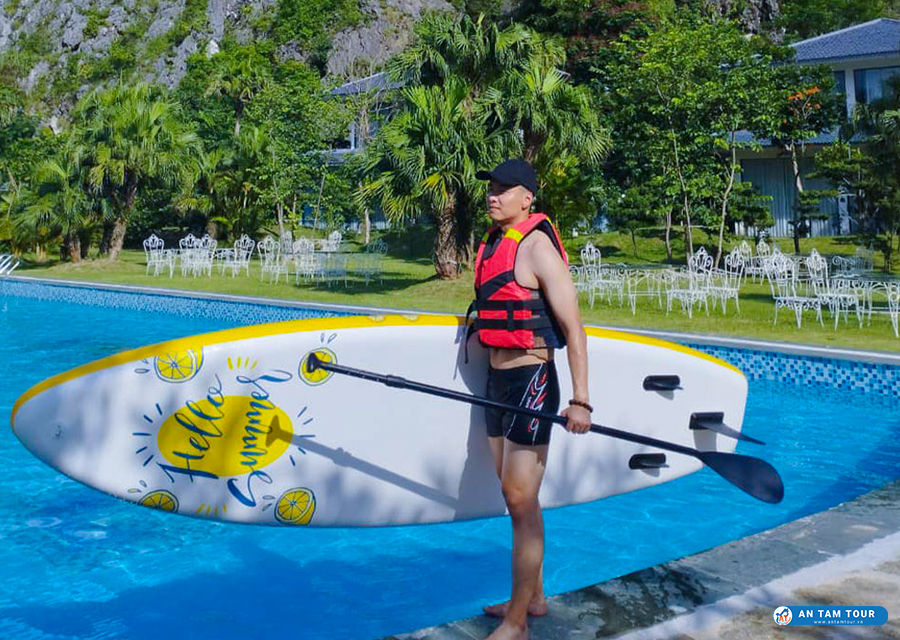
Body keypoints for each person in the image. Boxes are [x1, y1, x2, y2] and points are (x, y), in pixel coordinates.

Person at [469, 159, 592, 640]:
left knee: (520, 499)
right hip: (496, 383)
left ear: (528, 198)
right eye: (491, 187)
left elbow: (574, 329)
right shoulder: (493, 243)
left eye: (504, 188)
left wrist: (581, 400)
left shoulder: (538, 247)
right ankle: (533, 597)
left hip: (532, 379)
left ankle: (517, 622)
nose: (493, 195)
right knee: (514, 496)